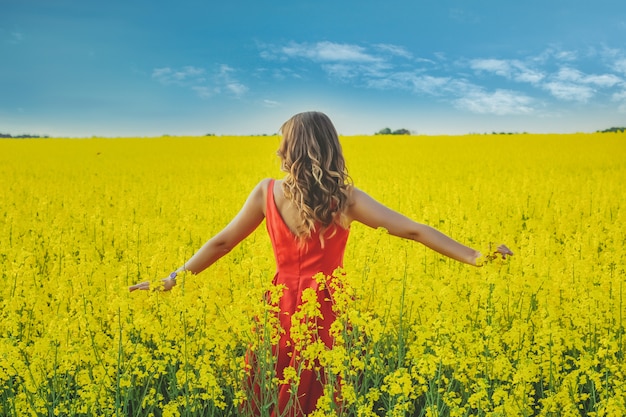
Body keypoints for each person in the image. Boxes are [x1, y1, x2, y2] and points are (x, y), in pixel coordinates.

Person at [129, 111, 513, 416]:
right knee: (325, 395)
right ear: (330, 148)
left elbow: (222, 242)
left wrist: (171, 280)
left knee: (274, 391)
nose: (278, 152)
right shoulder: (345, 198)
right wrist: (478, 257)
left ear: (292, 149)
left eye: (282, 144)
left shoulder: (266, 192)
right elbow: (413, 230)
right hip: (329, 305)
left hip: (279, 306)